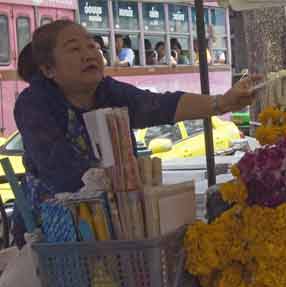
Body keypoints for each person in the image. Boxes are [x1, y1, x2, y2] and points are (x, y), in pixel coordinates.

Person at [13, 20, 260, 247]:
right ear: (48, 69)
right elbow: (59, 168)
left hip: (119, 226)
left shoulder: (109, 92)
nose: (89, 53)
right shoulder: (34, 105)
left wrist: (223, 103)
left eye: (92, 45)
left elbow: (159, 105)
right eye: (74, 48)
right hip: (56, 235)